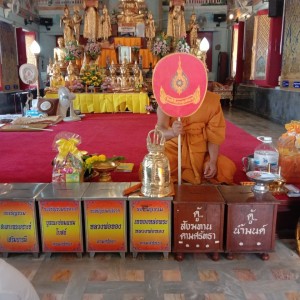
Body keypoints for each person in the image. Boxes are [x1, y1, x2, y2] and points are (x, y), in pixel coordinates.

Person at [156, 91, 236, 185]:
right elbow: (160, 133)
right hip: (175, 147)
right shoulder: (167, 98)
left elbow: (214, 136)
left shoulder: (211, 101)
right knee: (155, 168)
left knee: (226, 168)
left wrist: (212, 161)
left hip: (201, 150)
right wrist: (173, 132)